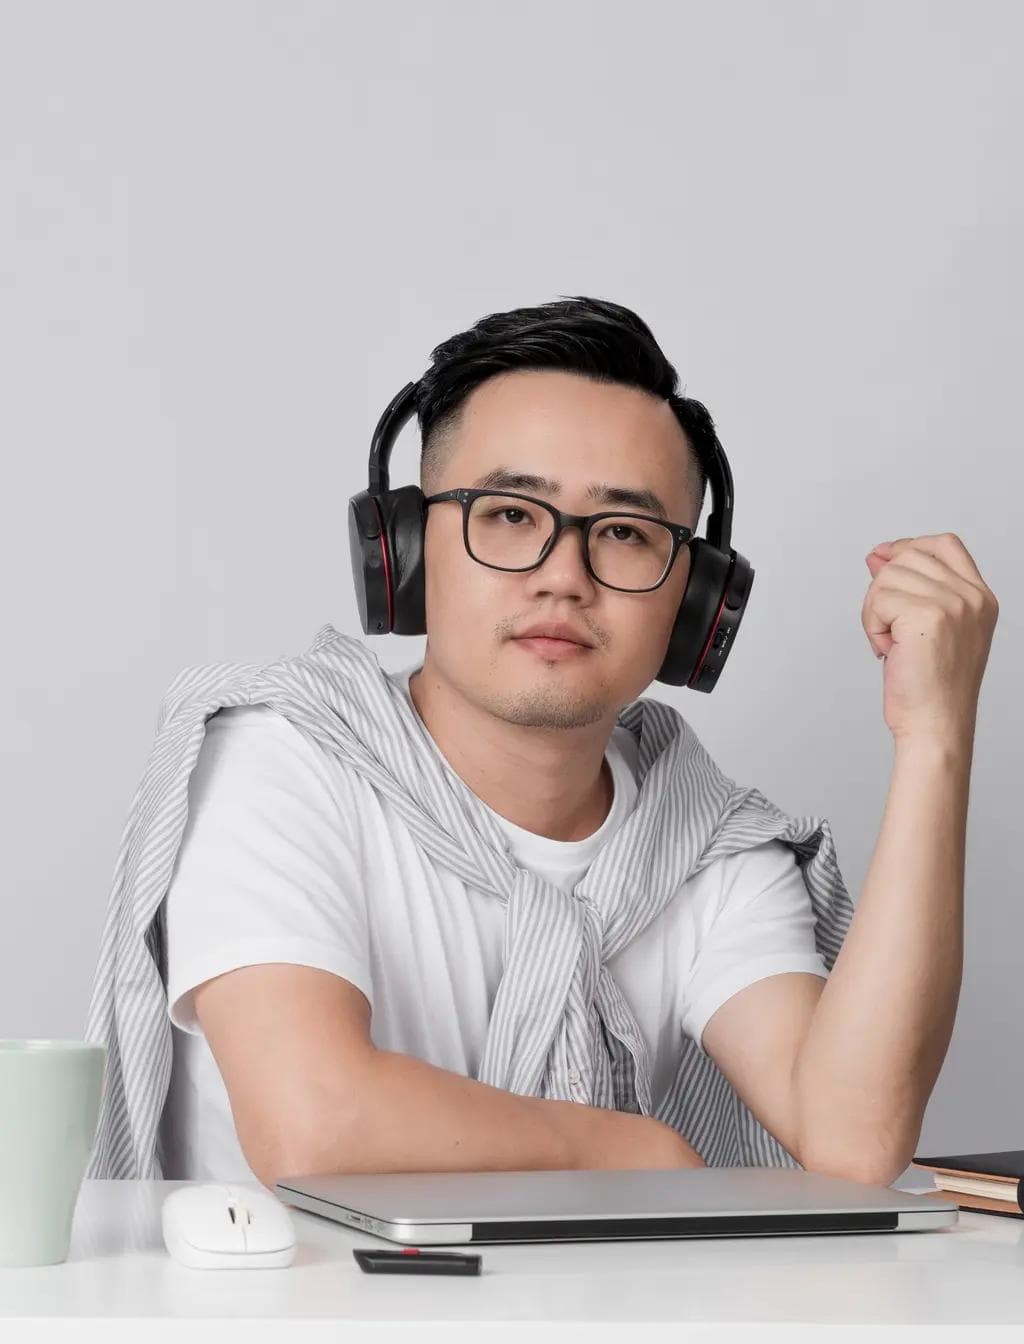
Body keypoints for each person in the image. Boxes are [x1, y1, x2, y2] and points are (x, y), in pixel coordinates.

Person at [156, 296, 998, 1190]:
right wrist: (640, 1147)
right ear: (403, 551)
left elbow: (854, 1138)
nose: (564, 577)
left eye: (627, 534)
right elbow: (314, 1123)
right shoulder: (283, 756)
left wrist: (936, 733)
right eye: (510, 514)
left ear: (696, 605)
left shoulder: (704, 841)